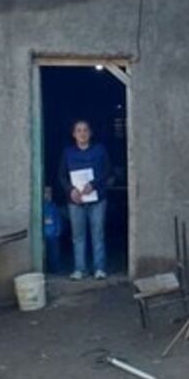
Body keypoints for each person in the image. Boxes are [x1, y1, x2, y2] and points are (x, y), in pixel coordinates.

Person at [58, 120, 112, 280]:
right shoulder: (68, 153)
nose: (82, 133)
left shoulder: (99, 150)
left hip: (97, 199)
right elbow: (61, 175)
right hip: (76, 200)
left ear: (90, 133)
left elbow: (107, 171)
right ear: (73, 134)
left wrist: (93, 185)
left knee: (98, 235)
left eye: (85, 130)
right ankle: (80, 269)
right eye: (79, 130)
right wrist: (70, 190)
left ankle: (99, 269)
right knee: (78, 237)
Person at [42, 185, 63, 274]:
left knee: (54, 252)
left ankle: (56, 269)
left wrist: (59, 229)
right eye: (46, 192)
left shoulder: (53, 206)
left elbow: (58, 219)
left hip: (52, 234)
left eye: (50, 192)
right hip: (43, 234)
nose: (48, 195)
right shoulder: (40, 207)